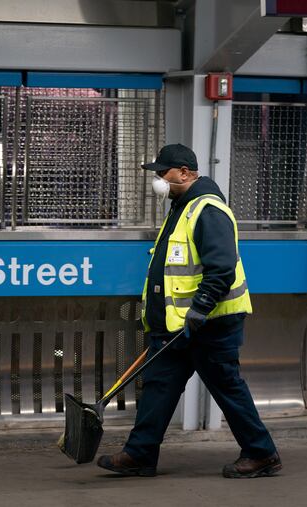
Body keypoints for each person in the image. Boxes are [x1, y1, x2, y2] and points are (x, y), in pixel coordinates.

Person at [97, 143, 281, 479]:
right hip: (177, 325)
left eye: (162, 173)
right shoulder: (182, 207)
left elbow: (222, 269)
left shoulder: (208, 211)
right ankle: (140, 454)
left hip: (210, 324)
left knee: (226, 386)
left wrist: (199, 310)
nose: (159, 180)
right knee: (159, 386)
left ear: (184, 172)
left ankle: (261, 453)